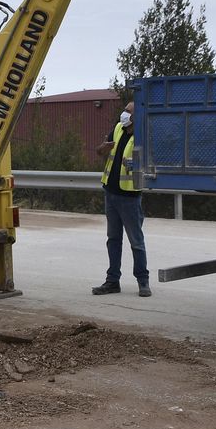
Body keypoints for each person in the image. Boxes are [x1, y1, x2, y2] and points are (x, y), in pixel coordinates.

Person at [92, 100, 150, 297]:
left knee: (136, 241)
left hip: (130, 197)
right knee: (113, 240)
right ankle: (112, 281)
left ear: (136, 116)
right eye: (124, 110)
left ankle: (143, 281)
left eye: (127, 111)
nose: (123, 114)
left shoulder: (142, 135)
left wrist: (137, 164)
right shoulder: (118, 128)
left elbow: (149, 164)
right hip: (111, 193)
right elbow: (99, 151)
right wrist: (103, 147)